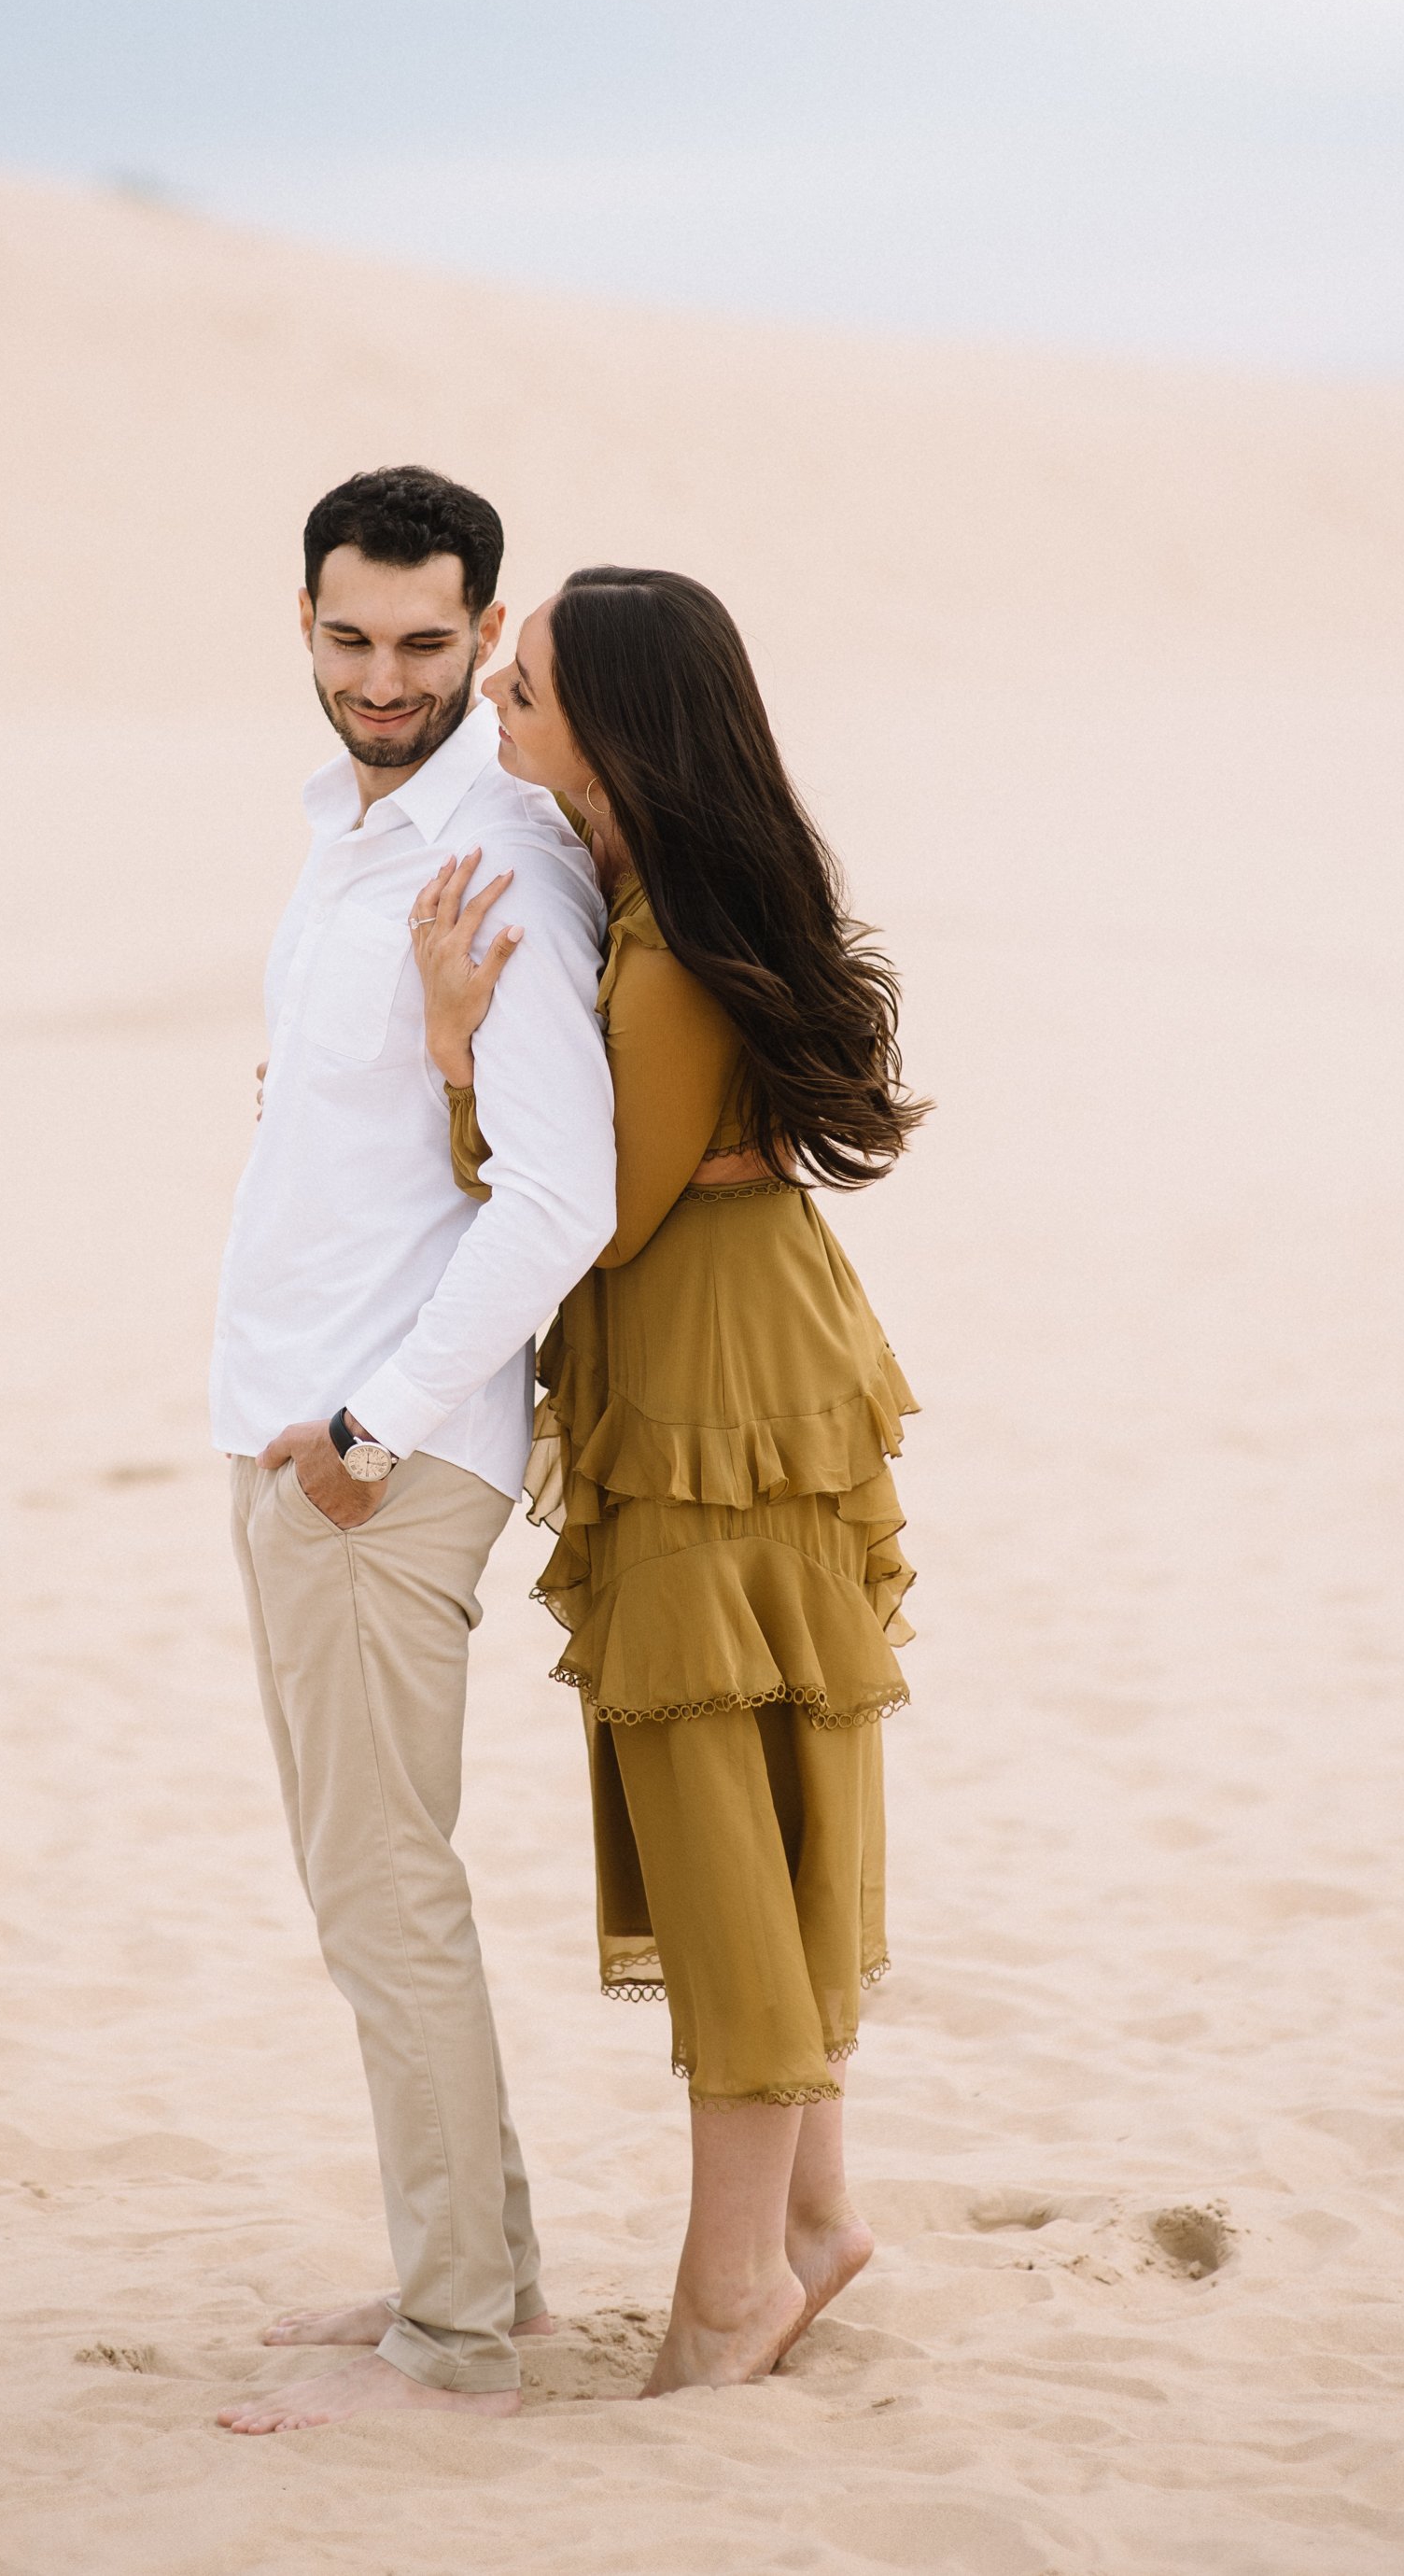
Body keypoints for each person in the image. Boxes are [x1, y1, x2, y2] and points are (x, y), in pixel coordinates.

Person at [409, 564, 925, 2395]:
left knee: (723, 1831)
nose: (497, 697)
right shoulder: (656, 900)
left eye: (528, 682)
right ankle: (808, 2224)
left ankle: (730, 2289)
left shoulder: (673, 942)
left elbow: (595, 1212)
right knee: (756, 1812)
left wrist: (461, 1060)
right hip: (734, 1369)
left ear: (617, 730)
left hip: (721, 1399)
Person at [209, 469, 616, 2434]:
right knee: (363, 1881)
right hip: (293, 1425)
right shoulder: (346, 833)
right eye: (354, 639)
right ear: (304, 622)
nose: (387, 681)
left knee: (384, 1890)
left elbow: (559, 1198)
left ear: (487, 630)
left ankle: (455, 2339)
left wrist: (371, 1427)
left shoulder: (500, 863)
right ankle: (485, 2278)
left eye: (430, 646)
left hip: (381, 1447)